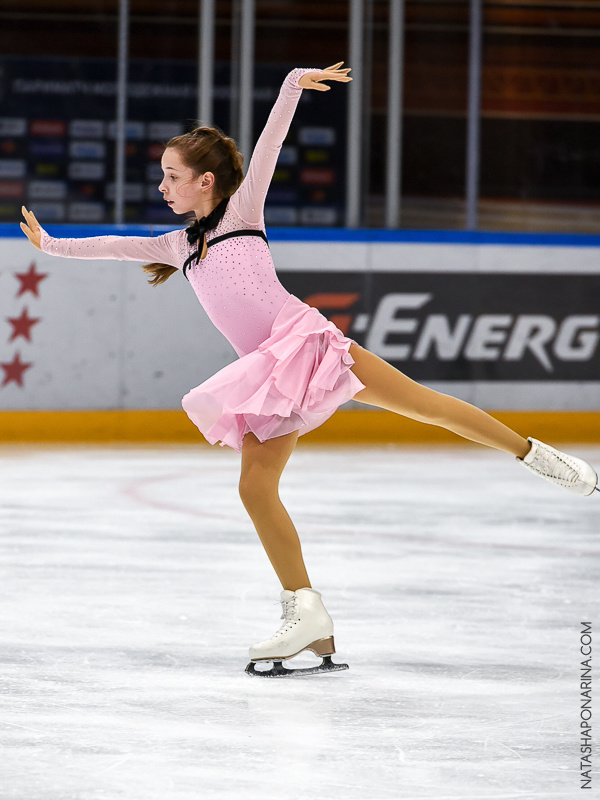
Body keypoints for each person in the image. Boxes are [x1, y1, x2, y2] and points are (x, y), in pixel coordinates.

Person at [21, 62, 598, 678]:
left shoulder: (242, 214)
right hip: (269, 375)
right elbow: (111, 245)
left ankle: (534, 454)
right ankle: (307, 614)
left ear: (206, 181)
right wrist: (51, 245)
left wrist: (293, 83)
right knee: (253, 487)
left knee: (422, 404)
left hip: (309, 347)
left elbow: (269, 144)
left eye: (171, 175)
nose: (162, 185)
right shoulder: (176, 245)